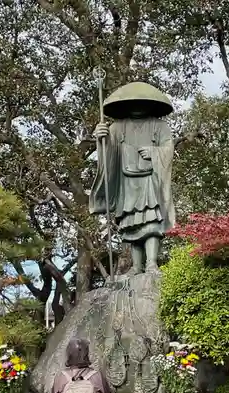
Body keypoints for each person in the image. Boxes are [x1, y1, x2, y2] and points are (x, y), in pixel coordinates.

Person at [89, 81, 175, 275]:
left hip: (150, 181)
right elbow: (109, 154)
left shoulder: (159, 126)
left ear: (151, 103)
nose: (138, 106)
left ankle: (152, 263)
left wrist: (154, 152)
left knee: (152, 221)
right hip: (127, 183)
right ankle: (136, 266)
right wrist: (101, 139)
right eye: (133, 102)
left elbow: (168, 149)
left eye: (142, 102)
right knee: (132, 223)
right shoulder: (116, 127)